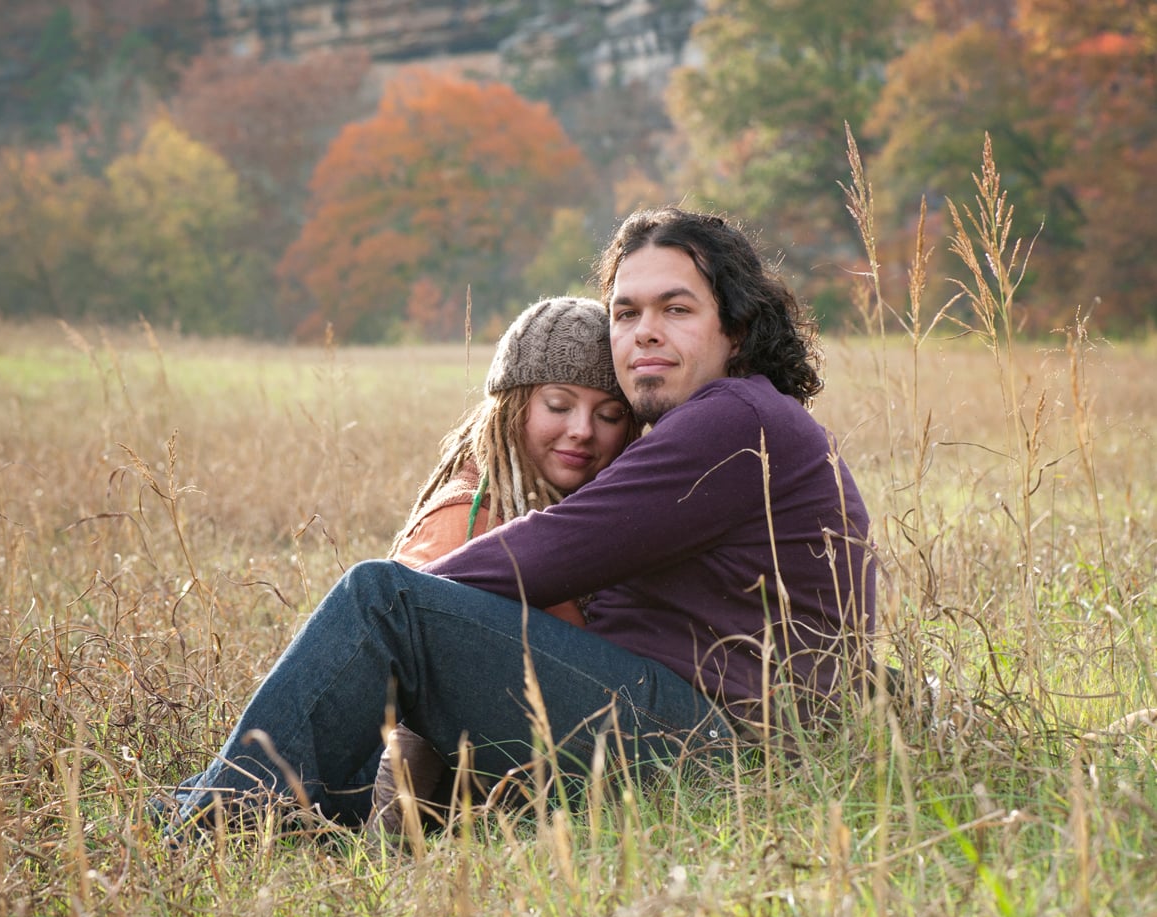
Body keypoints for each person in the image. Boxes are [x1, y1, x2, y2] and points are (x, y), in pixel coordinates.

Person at [166, 206, 874, 834]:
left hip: (708, 747)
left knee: (380, 598)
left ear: (738, 329)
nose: (644, 334)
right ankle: (253, 804)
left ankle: (216, 815)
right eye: (626, 314)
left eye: (676, 310)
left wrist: (415, 608)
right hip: (693, 730)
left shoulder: (731, 418)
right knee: (401, 641)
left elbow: (553, 550)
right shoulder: (741, 419)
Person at [373, 295, 636, 835]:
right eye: (559, 406)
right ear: (513, 407)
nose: (583, 430)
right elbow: (406, 666)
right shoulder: (470, 516)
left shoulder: (601, 517)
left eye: (609, 415)